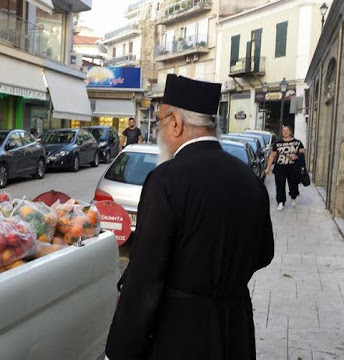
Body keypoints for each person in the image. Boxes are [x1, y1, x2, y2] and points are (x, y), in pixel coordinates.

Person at [106, 74, 274, 360]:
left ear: (176, 123)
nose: (161, 131)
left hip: (180, 333)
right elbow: (264, 254)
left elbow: (145, 277)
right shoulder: (249, 177)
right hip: (234, 328)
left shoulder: (166, 180)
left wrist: (119, 350)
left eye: (160, 122)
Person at [264, 126, 306, 211]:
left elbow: (303, 153)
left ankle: (293, 195)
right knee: (280, 185)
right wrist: (268, 167)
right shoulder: (277, 143)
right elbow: (272, 155)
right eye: (283, 130)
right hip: (280, 167)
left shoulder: (297, 142)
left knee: (293, 184)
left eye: (287, 130)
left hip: (293, 167)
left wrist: (296, 156)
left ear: (291, 132)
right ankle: (281, 202)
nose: (285, 132)